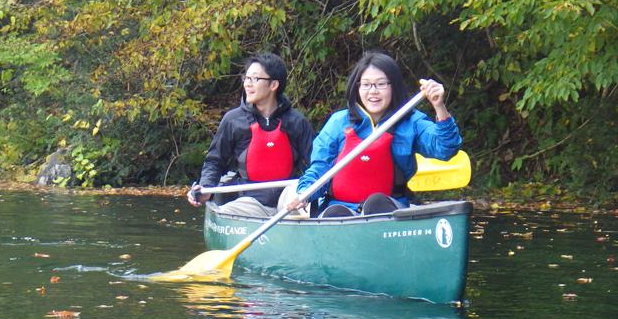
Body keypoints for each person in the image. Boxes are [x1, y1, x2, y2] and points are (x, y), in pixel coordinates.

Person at [287, 51, 462, 217]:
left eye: (381, 84)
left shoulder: (411, 121)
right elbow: (319, 169)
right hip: (338, 208)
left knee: (376, 203)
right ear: (357, 87)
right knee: (337, 212)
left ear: (393, 86)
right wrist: (304, 193)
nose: (373, 91)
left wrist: (439, 106)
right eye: (366, 84)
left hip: (390, 207)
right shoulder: (338, 122)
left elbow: (446, 148)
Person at [187, 52, 315, 217]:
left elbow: (317, 162)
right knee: (226, 212)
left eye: (254, 79)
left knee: (297, 194)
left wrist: (306, 192)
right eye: (246, 78)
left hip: (288, 201)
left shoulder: (296, 122)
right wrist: (205, 189)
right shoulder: (233, 120)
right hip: (249, 202)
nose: (248, 84)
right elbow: (215, 161)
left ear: (273, 85)